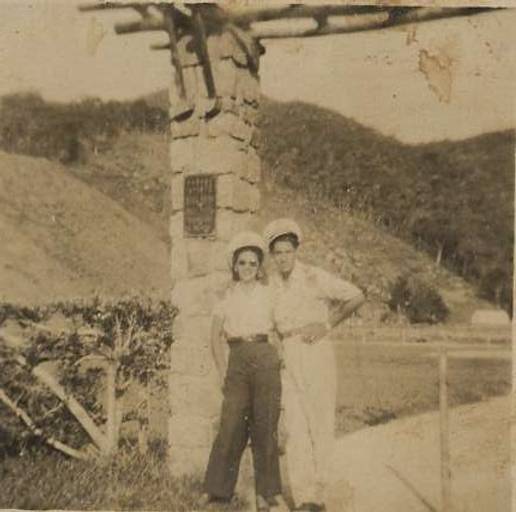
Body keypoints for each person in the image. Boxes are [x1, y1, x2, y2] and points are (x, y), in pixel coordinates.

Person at [263, 218, 365, 512]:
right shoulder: (271, 285)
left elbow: (356, 296)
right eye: (277, 253)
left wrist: (326, 325)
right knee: (295, 428)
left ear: (296, 251)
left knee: (320, 423)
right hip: (287, 354)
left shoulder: (313, 276)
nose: (283, 258)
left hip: (315, 351)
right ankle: (303, 497)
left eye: (287, 251)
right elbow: (270, 323)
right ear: (272, 255)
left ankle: (320, 496)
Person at [199, 231, 284, 512]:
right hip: (237, 358)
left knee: (265, 424)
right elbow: (214, 337)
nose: (247, 268)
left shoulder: (269, 294)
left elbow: (283, 327)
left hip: (264, 355)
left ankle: (267, 493)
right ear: (234, 266)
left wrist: (280, 357)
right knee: (230, 423)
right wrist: (222, 369)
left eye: (252, 263)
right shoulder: (226, 297)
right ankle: (216, 491)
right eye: (242, 263)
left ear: (259, 268)